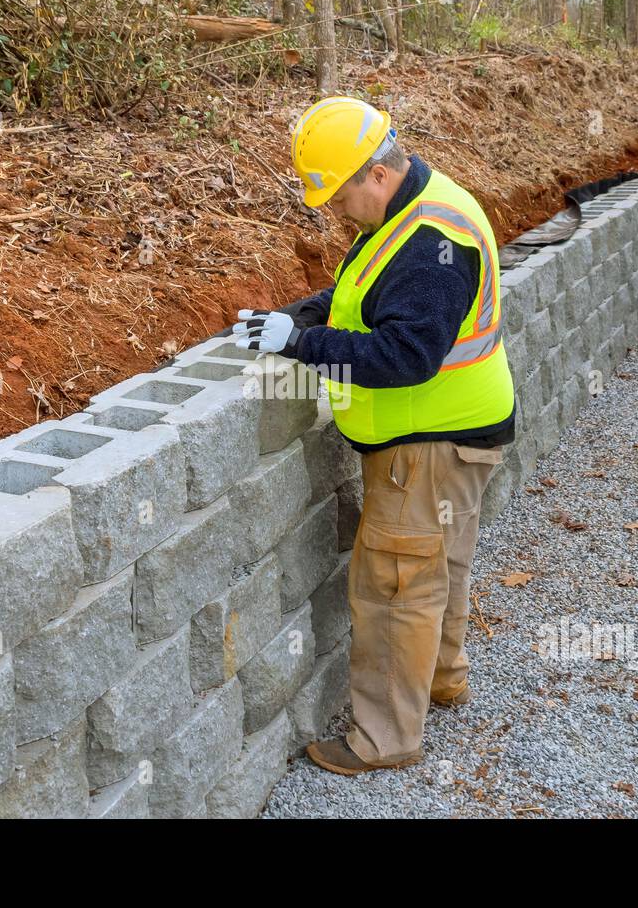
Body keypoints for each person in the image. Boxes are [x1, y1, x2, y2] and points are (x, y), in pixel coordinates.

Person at [232, 96, 517, 776]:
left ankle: (385, 738)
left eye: (338, 197)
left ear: (377, 176)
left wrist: (303, 345)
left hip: (427, 444)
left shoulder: (429, 247)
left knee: (393, 589)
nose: (335, 212)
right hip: (461, 433)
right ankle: (443, 680)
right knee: (437, 568)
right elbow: (366, 292)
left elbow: (404, 357)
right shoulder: (416, 207)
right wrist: (295, 317)